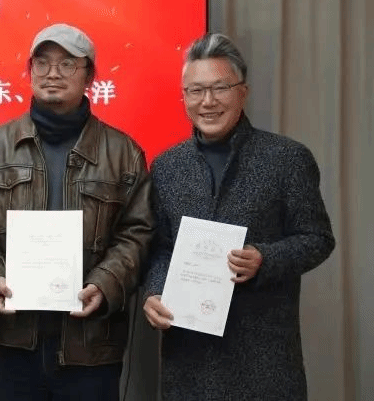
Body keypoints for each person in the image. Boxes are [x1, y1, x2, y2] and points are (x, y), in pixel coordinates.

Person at [143, 33, 335, 401]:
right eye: (196, 90)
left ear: (242, 92)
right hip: (188, 358)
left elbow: (318, 238)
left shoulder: (286, 158)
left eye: (220, 88)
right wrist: (154, 291)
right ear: (184, 96)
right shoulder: (167, 166)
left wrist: (266, 258)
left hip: (264, 359)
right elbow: (161, 248)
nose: (208, 101)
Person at [0, 23, 154, 401]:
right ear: (30, 71)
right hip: (10, 342)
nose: (52, 73)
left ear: (89, 76)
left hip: (90, 346)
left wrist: (105, 283)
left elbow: (138, 233)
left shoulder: (124, 153)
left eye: (68, 63)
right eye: (42, 63)